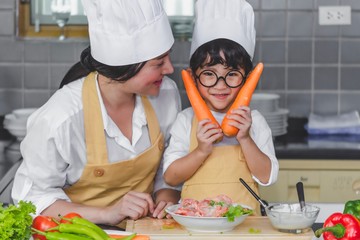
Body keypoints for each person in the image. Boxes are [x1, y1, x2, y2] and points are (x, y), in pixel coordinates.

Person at [12, 0, 182, 226]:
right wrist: (108, 213)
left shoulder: (166, 95)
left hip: (144, 230)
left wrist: (166, 197)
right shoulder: (61, 117)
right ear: (124, 67)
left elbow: (167, 165)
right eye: (159, 62)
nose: (170, 69)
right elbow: (32, 198)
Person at [162, 0, 279, 214]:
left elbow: (267, 178)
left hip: (245, 227)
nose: (220, 85)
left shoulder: (255, 121)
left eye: (232, 74)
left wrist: (245, 138)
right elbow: (170, 177)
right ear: (194, 78)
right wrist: (200, 151)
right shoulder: (186, 120)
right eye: (209, 74)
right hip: (194, 227)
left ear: (246, 79)